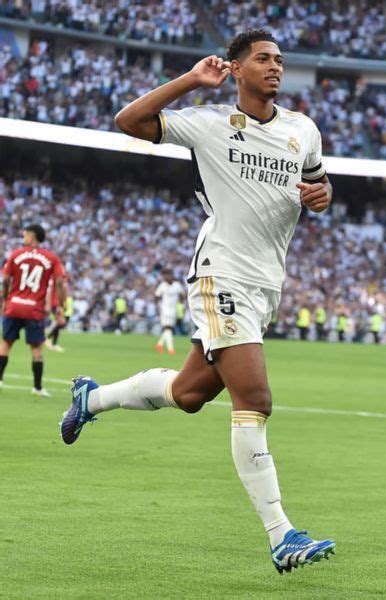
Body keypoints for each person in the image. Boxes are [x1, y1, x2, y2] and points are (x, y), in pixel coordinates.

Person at [61, 29, 335, 573]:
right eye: (262, 59)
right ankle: (282, 535)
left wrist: (322, 197)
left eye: (279, 60)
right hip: (221, 274)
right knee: (254, 396)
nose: (275, 67)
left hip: (265, 285)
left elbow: (319, 189)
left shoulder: (303, 131)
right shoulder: (208, 123)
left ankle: (90, 399)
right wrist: (190, 79)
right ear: (235, 68)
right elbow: (129, 122)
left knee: (189, 394)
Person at [1, 224, 66, 396]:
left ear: (32, 236)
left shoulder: (16, 254)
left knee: (6, 343)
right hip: (34, 310)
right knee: (36, 349)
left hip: (14, 305)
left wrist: (5, 300)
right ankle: (37, 388)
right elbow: (60, 283)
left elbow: (6, 280)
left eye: (25, 235)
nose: (23, 237)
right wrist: (61, 306)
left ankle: (0, 380)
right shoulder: (51, 258)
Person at [155, 268, 184, 355]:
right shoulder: (162, 285)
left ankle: (159, 344)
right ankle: (171, 349)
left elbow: (182, 295)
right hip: (165, 310)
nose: (168, 277)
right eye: (166, 275)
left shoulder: (177, 285)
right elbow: (156, 296)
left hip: (174, 310)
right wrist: (158, 306)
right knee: (167, 328)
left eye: (169, 275)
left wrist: (181, 304)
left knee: (169, 329)